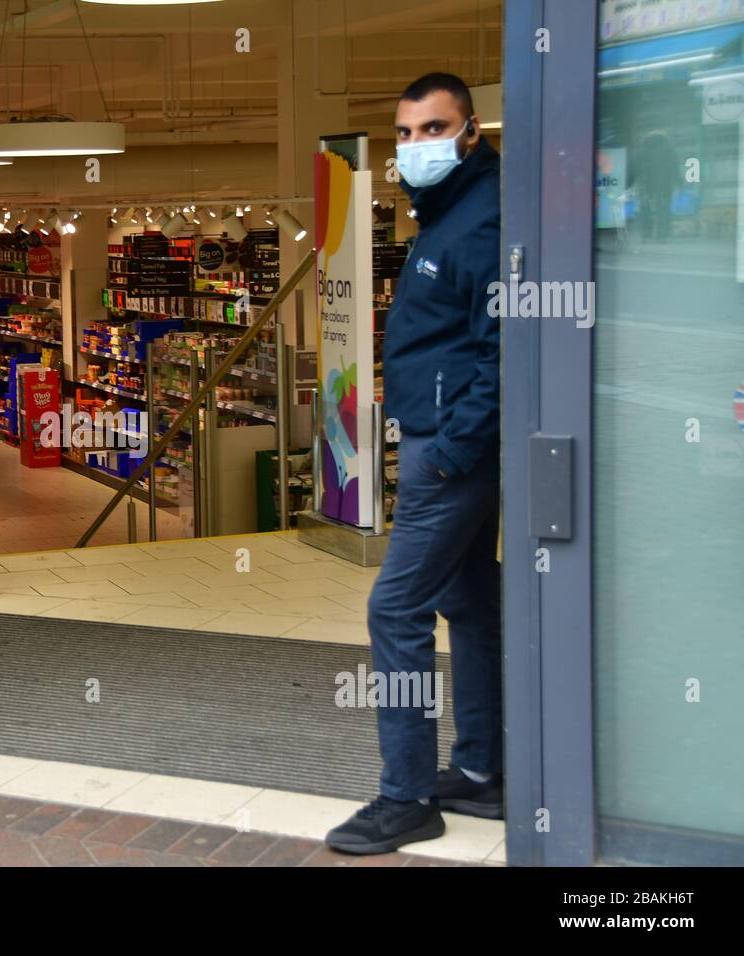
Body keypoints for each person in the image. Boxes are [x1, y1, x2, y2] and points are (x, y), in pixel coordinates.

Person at [325, 73, 503, 855]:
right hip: (438, 438)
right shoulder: (446, 213)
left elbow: (502, 350)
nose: (414, 147)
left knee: (394, 610)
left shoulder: (486, 217)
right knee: (469, 604)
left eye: (432, 130)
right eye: (403, 134)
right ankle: (484, 769)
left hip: (452, 450)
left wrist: (454, 449)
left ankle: (406, 797)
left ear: (469, 132)